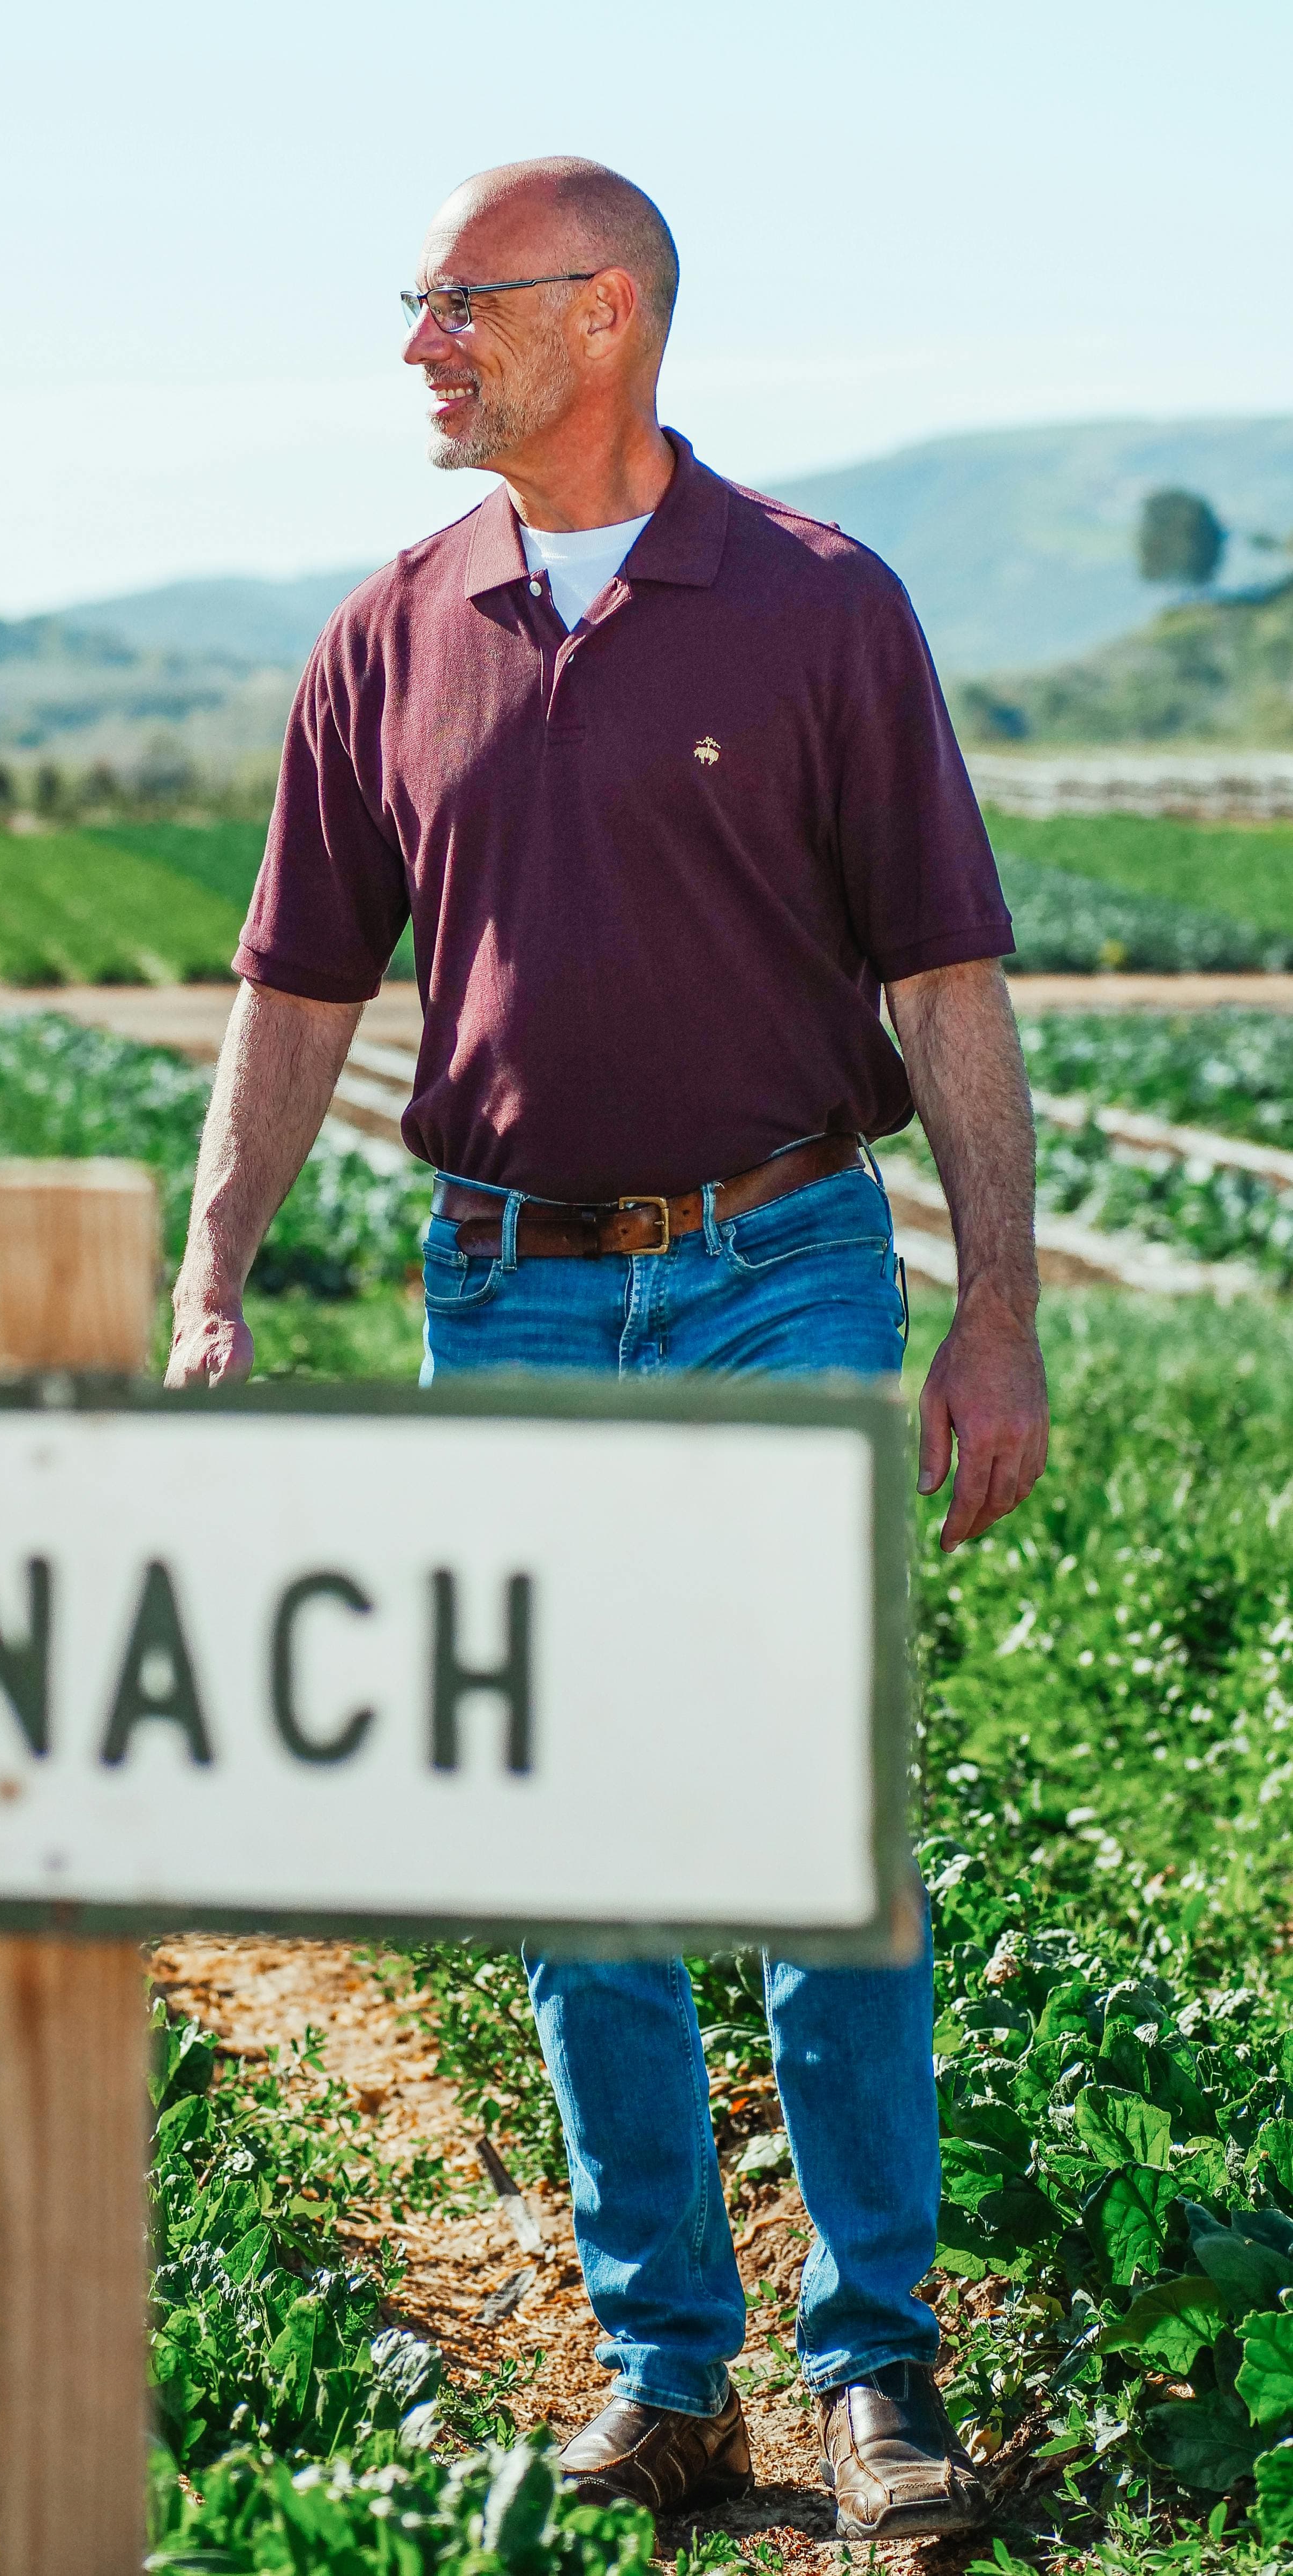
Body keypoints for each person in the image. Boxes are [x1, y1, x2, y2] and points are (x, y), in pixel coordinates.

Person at [167, 155, 1049, 2543]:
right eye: (422, 303)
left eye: (466, 305)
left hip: (782, 1264)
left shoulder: (815, 609)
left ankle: (878, 2375)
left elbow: (945, 975)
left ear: (612, 319)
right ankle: (670, 2373)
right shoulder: (393, 629)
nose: (423, 344)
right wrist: (213, 1268)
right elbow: (296, 987)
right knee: (576, 1846)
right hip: (515, 1284)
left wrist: (998, 1307)